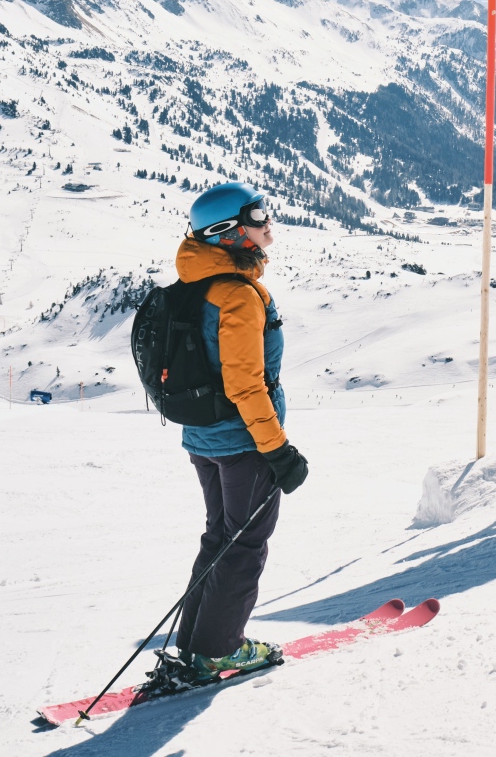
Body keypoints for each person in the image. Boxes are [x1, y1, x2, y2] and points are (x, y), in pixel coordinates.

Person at [174, 183, 308, 683]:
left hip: (203, 438)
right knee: (245, 545)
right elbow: (246, 385)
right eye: (257, 214)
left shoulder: (197, 282)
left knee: (220, 539)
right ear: (228, 232)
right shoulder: (237, 294)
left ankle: (195, 644)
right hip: (243, 444)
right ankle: (218, 651)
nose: (267, 220)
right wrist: (278, 452)